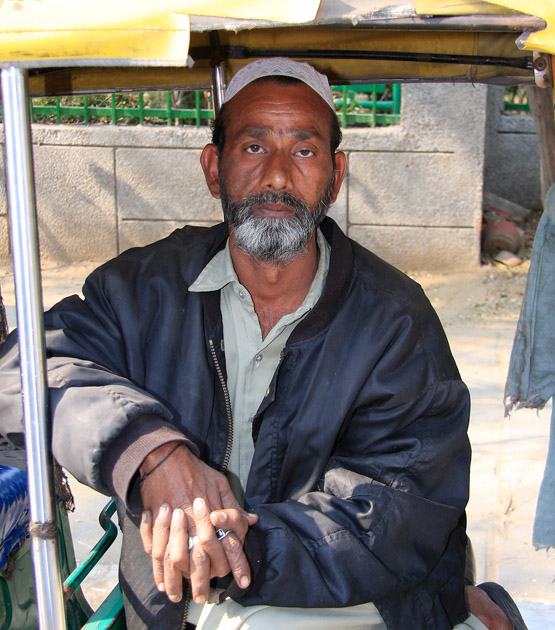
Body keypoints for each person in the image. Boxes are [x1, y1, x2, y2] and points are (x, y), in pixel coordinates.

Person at [0, 58, 515, 630]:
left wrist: (236, 546)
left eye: (303, 150)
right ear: (213, 169)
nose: (276, 176)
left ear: (336, 176)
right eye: (252, 148)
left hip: (344, 596)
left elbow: (395, 514)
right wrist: (150, 452)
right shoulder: (142, 290)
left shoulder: (396, 322)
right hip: (171, 604)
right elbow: (28, 367)